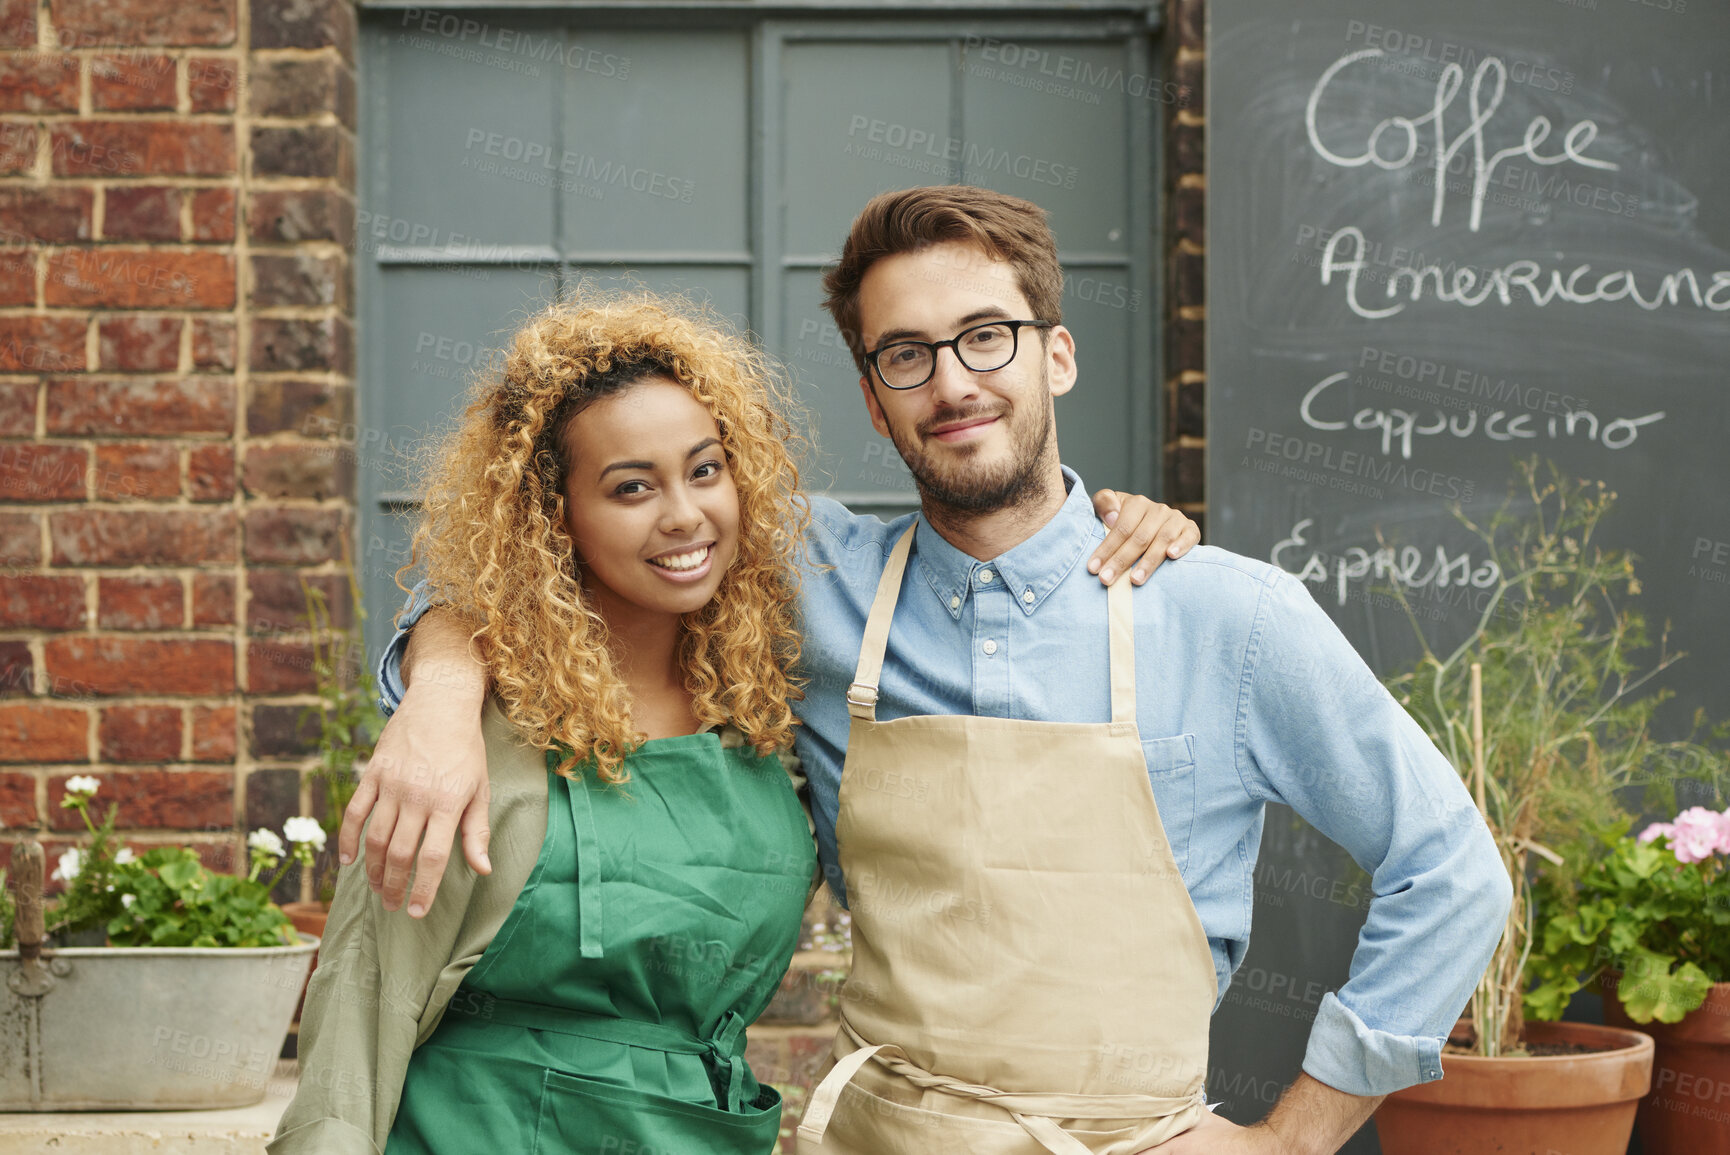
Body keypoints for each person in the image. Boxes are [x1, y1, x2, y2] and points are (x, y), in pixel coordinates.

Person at [352, 185, 1510, 1154]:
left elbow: (1450, 869)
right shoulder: (802, 574)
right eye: (907, 355)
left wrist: (1290, 1138)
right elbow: (531, 555)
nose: (952, 382)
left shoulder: (1224, 616)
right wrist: (443, 691)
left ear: (1053, 354)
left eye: (985, 337)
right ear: (872, 396)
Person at [271, 294, 826, 1154]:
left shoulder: (763, 711)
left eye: (706, 469)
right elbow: (362, 995)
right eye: (632, 486)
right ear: (553, 515)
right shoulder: (474, 734)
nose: (684, 513)